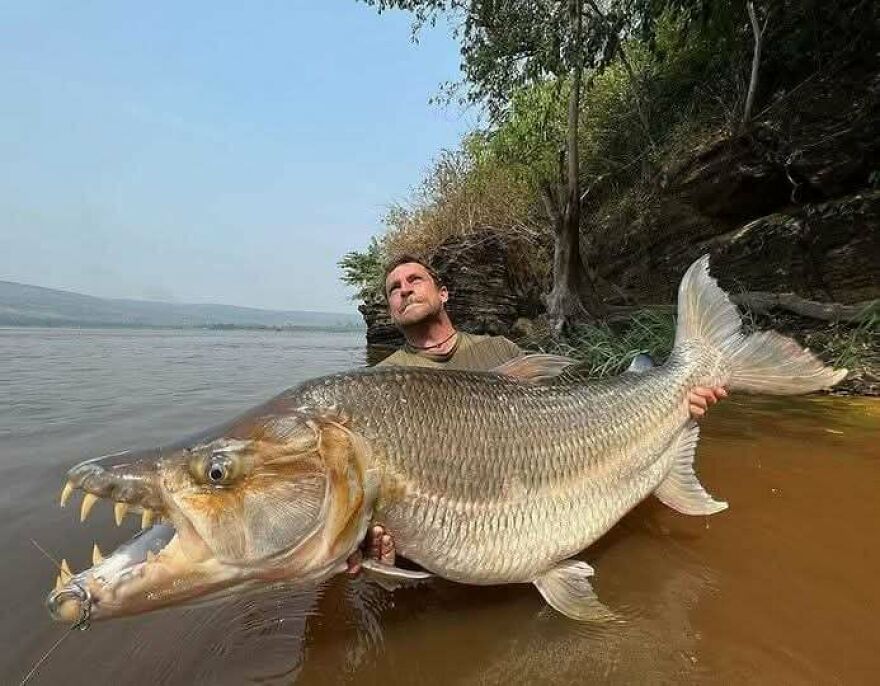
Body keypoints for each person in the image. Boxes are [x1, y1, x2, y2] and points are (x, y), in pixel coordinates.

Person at [347, 256, 727, 572]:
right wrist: (374, 558)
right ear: (391, 310)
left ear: (443, 293)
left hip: (525, 498)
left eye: (414, 279)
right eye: (394, 288)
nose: (404, 289)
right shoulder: (379, 384)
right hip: (450, 540)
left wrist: (681, 405)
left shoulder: (497, 350)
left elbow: (560, 423)